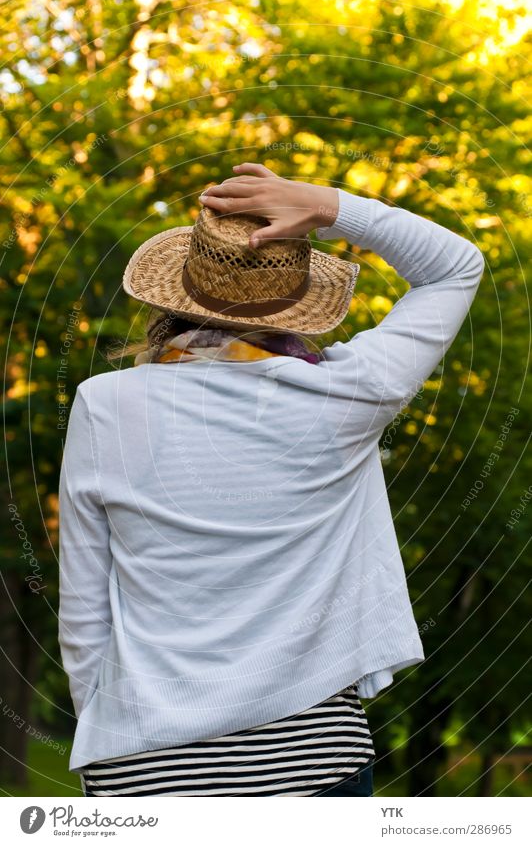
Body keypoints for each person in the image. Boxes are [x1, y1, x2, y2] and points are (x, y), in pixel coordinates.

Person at [58, 162, 484, 797]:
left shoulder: (105, 405)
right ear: (299, 304)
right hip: (313, 757)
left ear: (176, 294)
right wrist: (327, 205)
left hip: (145, 762)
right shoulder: (351, 393)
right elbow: (456, 266)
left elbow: (85, 607)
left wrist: (110, 727)